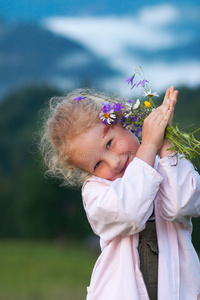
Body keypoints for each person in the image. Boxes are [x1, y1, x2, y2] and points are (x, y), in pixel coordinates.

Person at [40, 86, 200, 300]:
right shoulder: (96, 192)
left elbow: (183, 205)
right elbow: (131, 211)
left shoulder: (166, 164)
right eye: (97, 164)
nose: (114, 162)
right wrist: (148, 146)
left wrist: (167, 147)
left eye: (110, 143)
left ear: (123, 123)